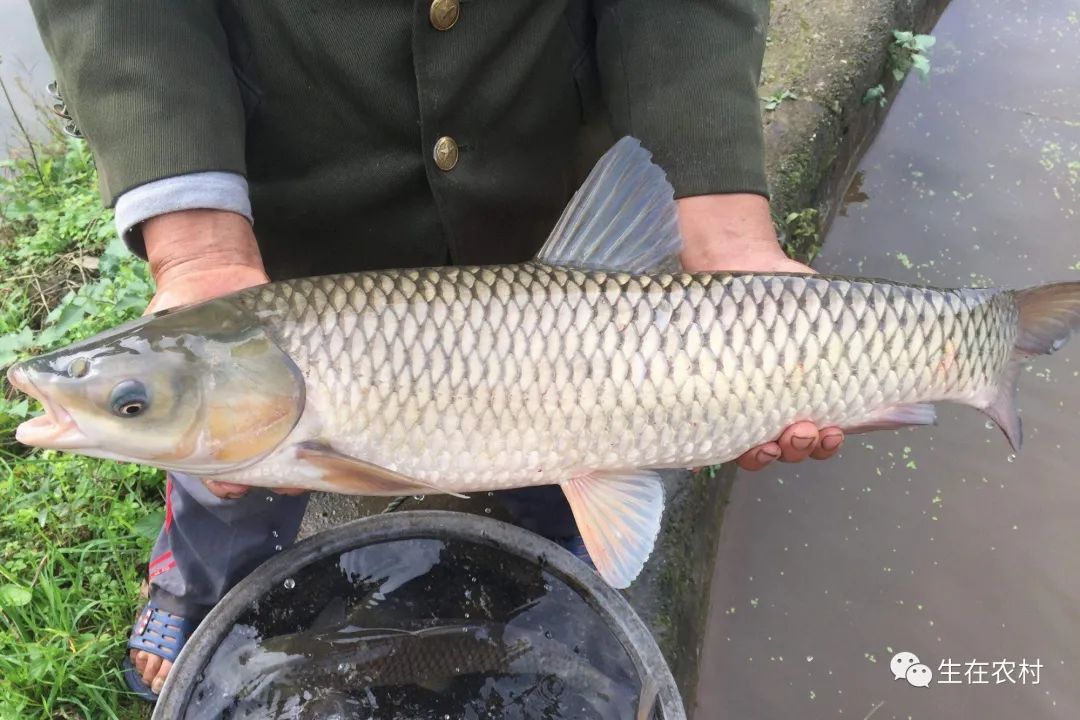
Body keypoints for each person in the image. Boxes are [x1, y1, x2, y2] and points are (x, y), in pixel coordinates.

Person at [30, 0, 845, 700]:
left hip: (536, 162)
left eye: (129, 402)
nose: (123, 407)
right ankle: (198, 580)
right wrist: (198, 248)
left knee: (571, 467)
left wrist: (726, 221)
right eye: (130, 403)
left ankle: (551, 550)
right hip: (288, 199)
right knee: (226, 473)